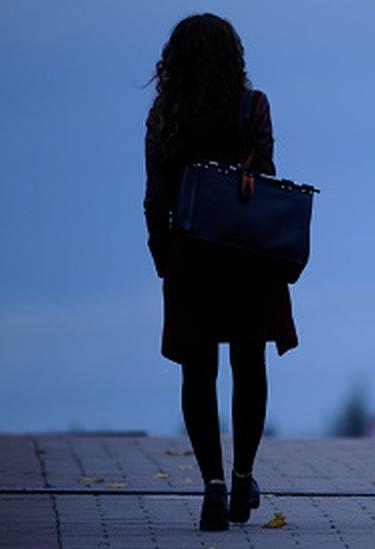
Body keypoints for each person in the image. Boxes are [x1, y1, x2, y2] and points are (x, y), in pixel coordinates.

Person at [142, 13, 298, 531]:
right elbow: (266, 174)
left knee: (198, 370)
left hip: (192, 258)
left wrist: (166, 259)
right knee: (249, 365)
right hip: (249, 256)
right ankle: (242, 478)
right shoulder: (252, 107)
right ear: (234, 56)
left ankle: (211, 486)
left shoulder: (165, 114)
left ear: (175, 61)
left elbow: (156, 200)